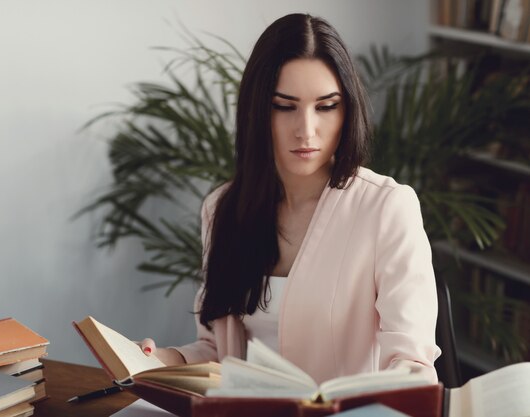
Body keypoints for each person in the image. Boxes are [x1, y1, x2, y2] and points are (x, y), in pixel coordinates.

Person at [139, 13, 441, 384]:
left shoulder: (386, 208)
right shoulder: (223, 209)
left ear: (348, 111)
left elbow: (412, 365)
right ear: (257, 111)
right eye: (285, 106)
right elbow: (219, 353)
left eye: (326, 106)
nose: (306, 130)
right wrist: (160, 359)